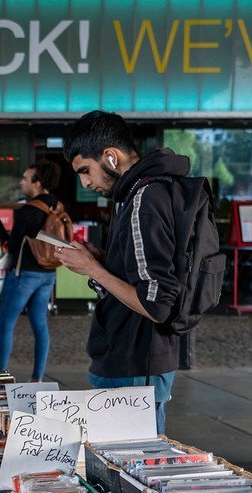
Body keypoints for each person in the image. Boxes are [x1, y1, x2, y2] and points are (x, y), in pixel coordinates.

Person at [58, 110, 186, 434]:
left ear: (110, 157)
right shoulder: (132, 195)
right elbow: (139, 272)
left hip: (136, 363)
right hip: (124, 357)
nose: (85, 183)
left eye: (85, 170)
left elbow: (156, 303)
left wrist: (93, 269)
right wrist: (100, 260)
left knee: (130, 472)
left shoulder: (146, 197)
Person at [0, 161, 62, 382]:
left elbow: (12, 245)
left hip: (25, 274)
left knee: (6, 323)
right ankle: (37, 377)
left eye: (26, 178)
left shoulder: (28, 210)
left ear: (37, 184)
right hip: (48, 273)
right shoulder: (57, 206)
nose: (21, 182)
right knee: (40, 324)